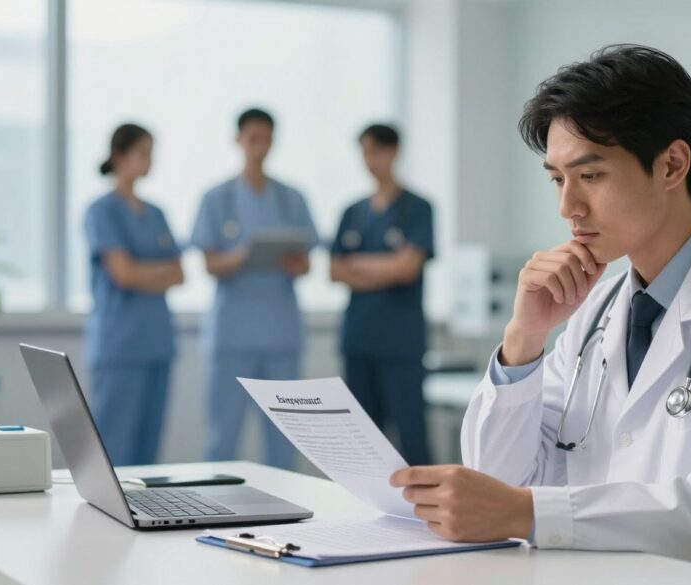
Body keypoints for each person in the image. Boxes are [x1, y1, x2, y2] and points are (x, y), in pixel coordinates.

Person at [389, 45, 691, 585]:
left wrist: (532, 513)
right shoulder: (598, 311)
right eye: (557, 179)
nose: (568, 207)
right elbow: (500, 484)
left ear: (672, 165)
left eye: (590, 176)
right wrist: (525, 337)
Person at [190, 108, 318, 469]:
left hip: (280, 335)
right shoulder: (217, 198)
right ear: (238, 140)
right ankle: (213, 512)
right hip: (232, 337)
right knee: (222, 438)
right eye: (252, 139)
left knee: (283, 441)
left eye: (266, 139)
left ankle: (286, 519)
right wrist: (244, 255)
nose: (259, 147)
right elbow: (210, 264)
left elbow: (307, 262)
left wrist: (292, 262)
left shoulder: (292, 198)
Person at [330, 124, 434, 466]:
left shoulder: (417, 208)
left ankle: (425, 517)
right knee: (362, 443)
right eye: (364, 151)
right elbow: (334, 271)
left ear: (393, 152)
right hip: (359, 340)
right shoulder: (352, 212)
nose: (369, 159)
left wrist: (358, 265)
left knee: (411, 439)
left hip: (400, 343)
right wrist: (387, 267)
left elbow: (407, 269)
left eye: (375, 150)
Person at [84, 123, 184, 466]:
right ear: (119, 155)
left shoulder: (156, 213)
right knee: (115, 447)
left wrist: (141, 270)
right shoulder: (102, 211)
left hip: (157, 344)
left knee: (148, 451)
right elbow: (122, 274)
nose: (149, 160)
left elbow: (179, 273)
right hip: (121, 345)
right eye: (142, 152)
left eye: (151, 153)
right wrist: (154, 272)